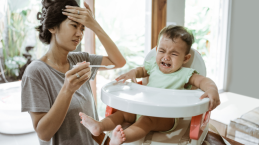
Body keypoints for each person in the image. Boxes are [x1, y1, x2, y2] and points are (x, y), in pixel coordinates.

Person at [79, 25, 221, 145]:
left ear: (186, 58)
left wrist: (212, 89)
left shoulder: (185, 74)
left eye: (174, 54)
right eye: (162, 51)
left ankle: (122, 137)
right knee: (123, 114)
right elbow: (141, 70)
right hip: (143, 107)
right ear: (156, 49)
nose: (166, 57)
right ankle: (99, 126)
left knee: (147, 121)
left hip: (167, 117)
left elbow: (203, 81)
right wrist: (132, 73)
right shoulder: (153, 66)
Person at [21, 0, 126, 145]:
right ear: (52, 26)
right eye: (74, 25)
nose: (80, 34)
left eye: (83, 28)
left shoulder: (79, 59)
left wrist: (95, 26)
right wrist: (67, 89)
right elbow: (44, 134)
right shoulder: (35, 72)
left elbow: (118, 62)